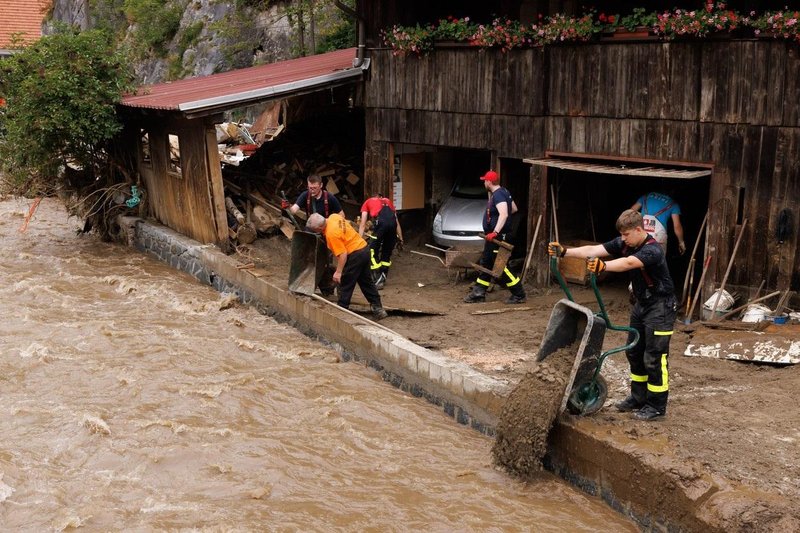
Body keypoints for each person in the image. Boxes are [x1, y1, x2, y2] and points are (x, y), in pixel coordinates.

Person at [548, 209, 677, 421]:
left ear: (638, 229)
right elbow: (594, 249)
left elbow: (628, 263)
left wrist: (603, 266)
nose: (623, 239)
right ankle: (638, 397)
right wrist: (565, 252)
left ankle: (656, 406)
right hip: (641, 303)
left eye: (626, 234)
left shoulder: (653, 250)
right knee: (634, 352)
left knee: (654, 357)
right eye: (622, 235)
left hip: (661, 306)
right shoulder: (626, 242)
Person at [305, 212, 388, 321]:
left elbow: (343, 255)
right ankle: (378, 308)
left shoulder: (331, 234)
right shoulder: (334, 217)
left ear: (320, 227)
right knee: (366, 282)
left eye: (315, 229)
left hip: (354, 255)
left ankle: (342, 309)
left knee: (345, 282)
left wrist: (338, 272)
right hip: (364, 248)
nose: (315, 232)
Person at [463, 170, 526, 304]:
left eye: (485, 180)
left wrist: (496, 231)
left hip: (498, 237)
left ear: (489, 182)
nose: (484, 183)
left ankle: (519, 293)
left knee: (501, 265)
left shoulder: (498, 196)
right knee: (487, 262)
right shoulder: (504, 192)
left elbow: (504, 214)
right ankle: (479, 292)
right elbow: (513, 208)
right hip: (492, 237)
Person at [358, 193, 404, 290]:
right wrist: (400, 238)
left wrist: (358, 240)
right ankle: (383, 276)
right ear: (381, 197)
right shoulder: (388, 201)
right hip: (392, 226)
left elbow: (362, 224)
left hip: (381, 225)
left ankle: (377, 278)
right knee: (386, 253)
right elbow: (396, 221)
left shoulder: (367, 202)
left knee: (371, 252)